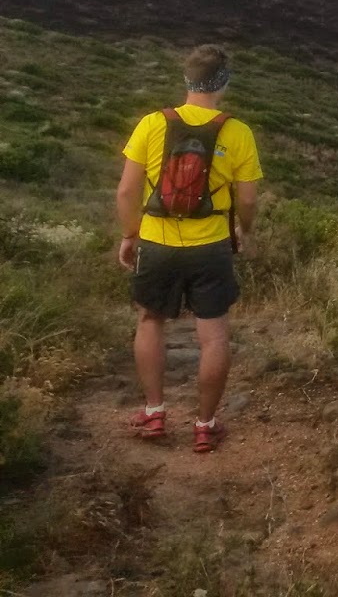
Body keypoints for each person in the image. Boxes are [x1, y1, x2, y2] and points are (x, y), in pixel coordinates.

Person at [114, 44, 262, 453]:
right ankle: (205, 424)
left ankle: (154, 412)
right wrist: (244, 232)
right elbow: (247, 200)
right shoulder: (237, 131)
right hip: (211, 245)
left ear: (187, 80)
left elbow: (126, 190)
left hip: (157, 241)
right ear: (224, 83)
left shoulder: (151, 124)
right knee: (213, 336)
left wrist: (130, 234)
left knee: (150, 321)